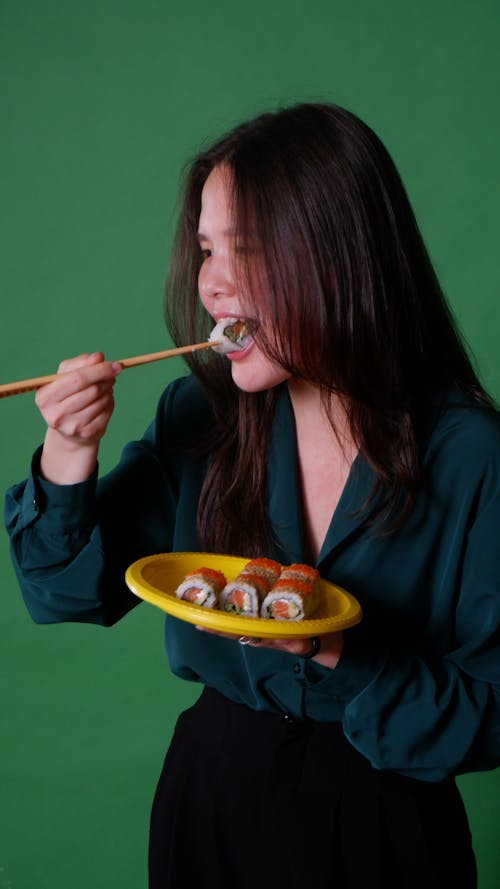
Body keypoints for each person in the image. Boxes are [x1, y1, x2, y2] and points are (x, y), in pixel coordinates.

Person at [5, 102, 500, 889]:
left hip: (387, 825)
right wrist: (69, 450)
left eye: (250, 247)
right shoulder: (198, 417)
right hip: (211, 805)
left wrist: (333, 648)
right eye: (207, 248)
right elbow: (64, 591)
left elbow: (492, 709)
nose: (214, 284)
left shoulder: (471, 451)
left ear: (342, 257)